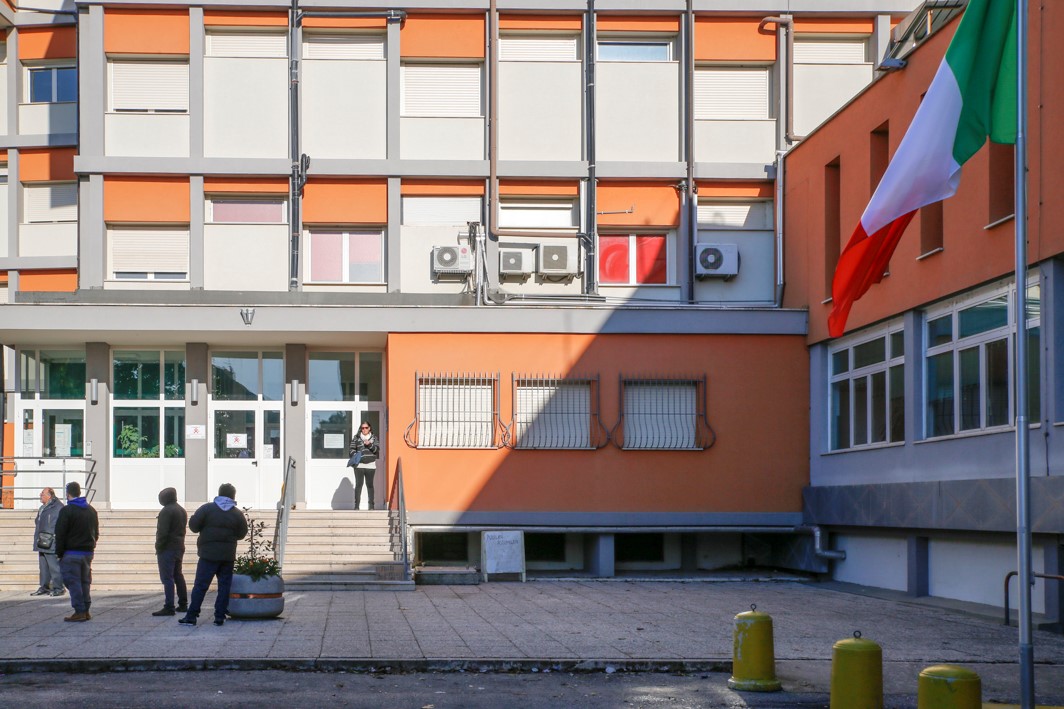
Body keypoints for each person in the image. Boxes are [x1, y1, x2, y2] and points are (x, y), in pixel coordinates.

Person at [180, 483, 248, 627]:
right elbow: (242, 534)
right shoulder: (237, 513)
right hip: (227, 556)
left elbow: (193, 526)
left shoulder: (207, 509)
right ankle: (219, 616)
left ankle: (192, 616)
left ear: (219, 493)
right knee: (224, 586)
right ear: (233, 496)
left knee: (200, 585)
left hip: (208, 554)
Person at [54, 481, 99, 622]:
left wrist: (59, 552)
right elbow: (96, 532)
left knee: (73, 582)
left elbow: (60, 533)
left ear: (68, 494)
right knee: (85, 581)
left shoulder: (67, 511)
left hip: (71, 552)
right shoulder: (91, 510)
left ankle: (79, 610)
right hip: (87, 552)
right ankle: (86, 609)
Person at [152, 487, 188, 617]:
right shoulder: (181, 510)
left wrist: (158, 546)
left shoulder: (166, 511)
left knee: (167, 578)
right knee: (178, 575)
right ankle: (183, 604)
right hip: (179, 546)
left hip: (167, 548)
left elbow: (163, 532)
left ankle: (169, 606)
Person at [31, 487, 65, 597]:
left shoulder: (58, 507)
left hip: (51, 541)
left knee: (54, 566)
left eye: (42, 494)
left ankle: (58, 588)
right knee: (43, 567)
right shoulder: (42, 507)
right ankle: (44, 587)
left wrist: (55, 536)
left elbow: (61, 524)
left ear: (49, 496)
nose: (40, 495)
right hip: (41, 540)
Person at [349, 421, 380, 510]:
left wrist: (369, 444)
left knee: (370, 485)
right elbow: (351, 449)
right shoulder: (356, 438)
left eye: (366, 428)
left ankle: (371, 506)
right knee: (359, 485)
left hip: (371, 465)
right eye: (362, 428)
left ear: (369, 428)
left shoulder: (374, 438)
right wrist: (355, 455)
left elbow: (376, 450)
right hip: (359, 465)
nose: (364, 429)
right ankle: (356, 506)